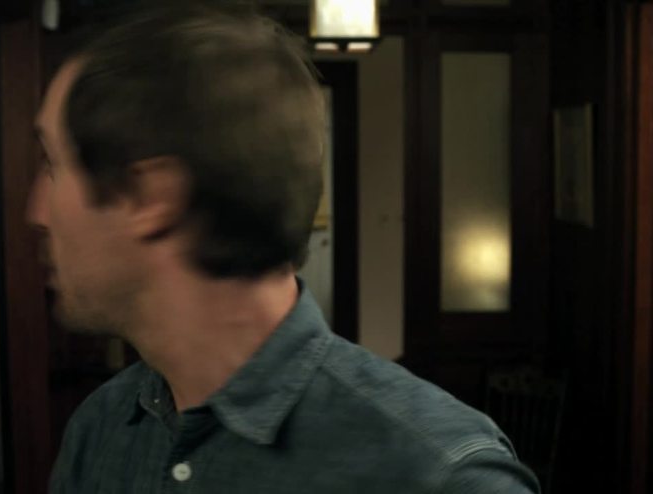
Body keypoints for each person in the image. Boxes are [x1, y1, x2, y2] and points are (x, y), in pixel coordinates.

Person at [27, 3, 540, 493]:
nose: (36, 212)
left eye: (53, 164)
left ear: (152, 195)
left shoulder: (436, 475)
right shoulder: (101, 428)